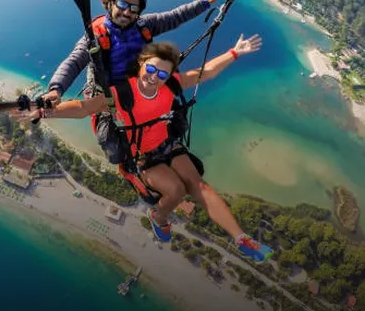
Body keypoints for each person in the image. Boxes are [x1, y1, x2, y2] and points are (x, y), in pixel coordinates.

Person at [28, 34, 273, 263]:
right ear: (141, 64)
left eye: (162, 74)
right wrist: (45, 111)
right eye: (151, 69)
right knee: (176, 190)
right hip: (142, 157)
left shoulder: (170, 86)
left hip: (168, 144)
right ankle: (158, 218)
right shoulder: (122, 93)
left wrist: (235, 52)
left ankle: (242, 239)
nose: (154, 77)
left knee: (198, 184)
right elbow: (82, 108)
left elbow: (206, 72)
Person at [42, 0, 229, 161]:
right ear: (110, 3)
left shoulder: (144, 25)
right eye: (122, 4)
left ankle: (161, 148)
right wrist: (56, 89)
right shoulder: (95, 36)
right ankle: (134, 162)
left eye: (133, 8)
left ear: (139, 11)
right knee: (115, 150)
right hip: (110, 94)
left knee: (177, 123)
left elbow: (176, 16)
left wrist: (208, 1)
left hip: (141, 87)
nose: (126, 12)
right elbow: (74, 62)